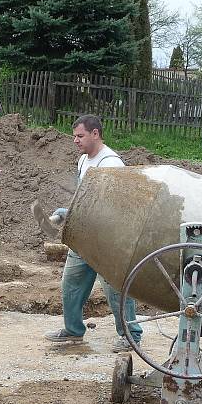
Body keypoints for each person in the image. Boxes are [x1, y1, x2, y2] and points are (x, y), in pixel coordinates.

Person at [45, 114, 143, 353]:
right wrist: (71, 212)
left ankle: (131, 336)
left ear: (95, 133)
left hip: (107, 238)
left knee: (115, 289)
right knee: (71, 283)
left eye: (80, 136)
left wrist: (74, 212)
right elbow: (84, 198)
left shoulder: (111, 163)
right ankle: (73, 330)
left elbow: (115, 204)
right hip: (85, 236)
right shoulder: (83, 161)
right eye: (74, 136)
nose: (75, 140)